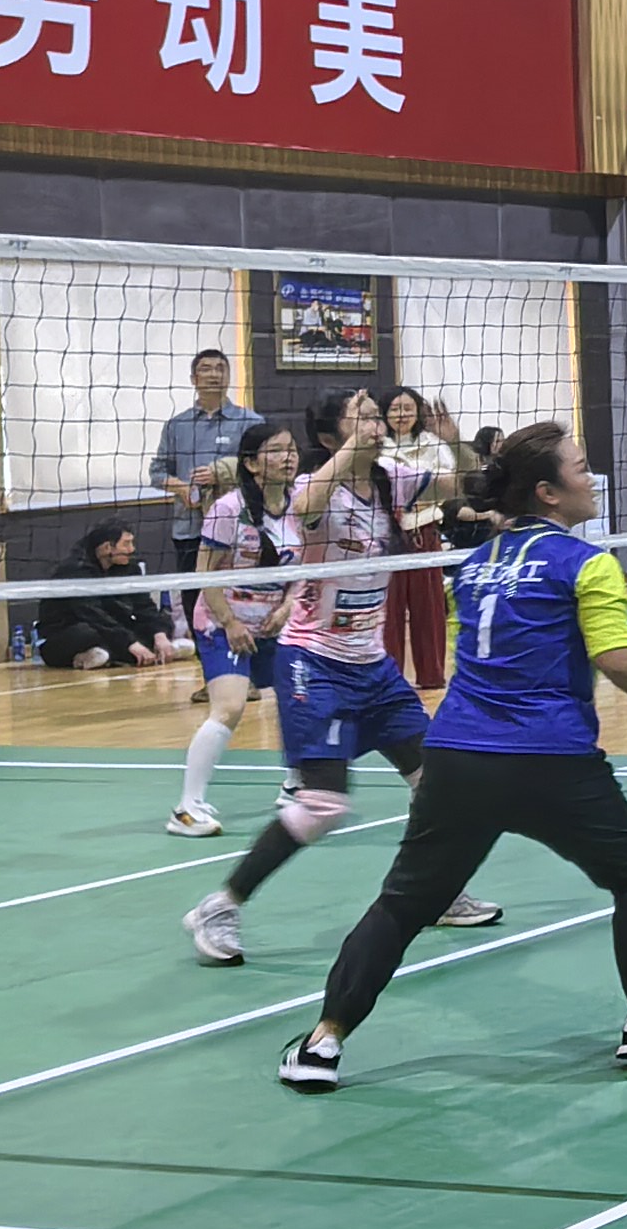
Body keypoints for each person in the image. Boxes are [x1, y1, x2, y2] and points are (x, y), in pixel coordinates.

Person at [274, 422, 627, 1091]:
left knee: (402, 906)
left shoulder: (473, 567)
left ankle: (322, 1043)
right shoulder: (587, 564)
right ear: (548, 491)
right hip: (551, 758)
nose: (591, 478)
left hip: (458, 756)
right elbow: (617, 660)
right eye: (579, 467)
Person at [181, 388, 492, 966]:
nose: (376, 423)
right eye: (362, 416)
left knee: (439, 783)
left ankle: (437, 891)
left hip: (372, 665)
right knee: (323, 803)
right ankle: (220, 906)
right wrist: (351, 450)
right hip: (314, 663)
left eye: (377, 415)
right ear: (330, 436)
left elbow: (464, 486)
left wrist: (453, 444)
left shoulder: (393, 479)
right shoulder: (313, 487)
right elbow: (305, 507)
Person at [169, 421, 300, 839]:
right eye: (276, 451)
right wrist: (230, 622)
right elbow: (205, 575)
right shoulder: (228, 508)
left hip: (275, 623)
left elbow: (309, 568)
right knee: (229, 707)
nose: (288, 458)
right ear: (251, 463)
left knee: (303, 698)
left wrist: (288, 607)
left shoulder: (303, 504)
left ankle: (296, 785)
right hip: (222, 621)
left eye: (291, 449)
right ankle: (186, 808)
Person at [153, 348, 264, 703]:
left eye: (220, 368)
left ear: (228, 376)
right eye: (206, 369)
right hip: (190, 528)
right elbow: (157, 472)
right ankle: (212, 677)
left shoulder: (249, 421)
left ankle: (247, 677)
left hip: (240, 531)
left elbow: (263, 464)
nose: (214, 374)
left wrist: (221, 473)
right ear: (194, 378)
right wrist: (182, 488)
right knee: (195, 605)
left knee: (242, 600)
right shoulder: (178, 425)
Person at [378, 387, 457, 690]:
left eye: (408, 408)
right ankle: (391, 679)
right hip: (388, 534)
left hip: (425, 530)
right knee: (390, 610)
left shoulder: (434, 443)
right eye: (395, 408)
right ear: (384, 413)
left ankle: (432, 675)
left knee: (430, 607)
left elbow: (450, 482)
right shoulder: (376, 447)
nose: (402, 414)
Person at [38, 523, 180, 670]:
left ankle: (158, 649)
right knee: (88, 633)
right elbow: (94, 616)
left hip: (111, 628)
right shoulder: (74, 570)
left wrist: (159, 635)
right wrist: (130, 643)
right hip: (68, 633)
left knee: (154, 625)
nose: (132, 549)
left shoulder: (129, 568)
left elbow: (144, 606)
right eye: (126, 544)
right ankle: (106, 655)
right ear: (107, 548)